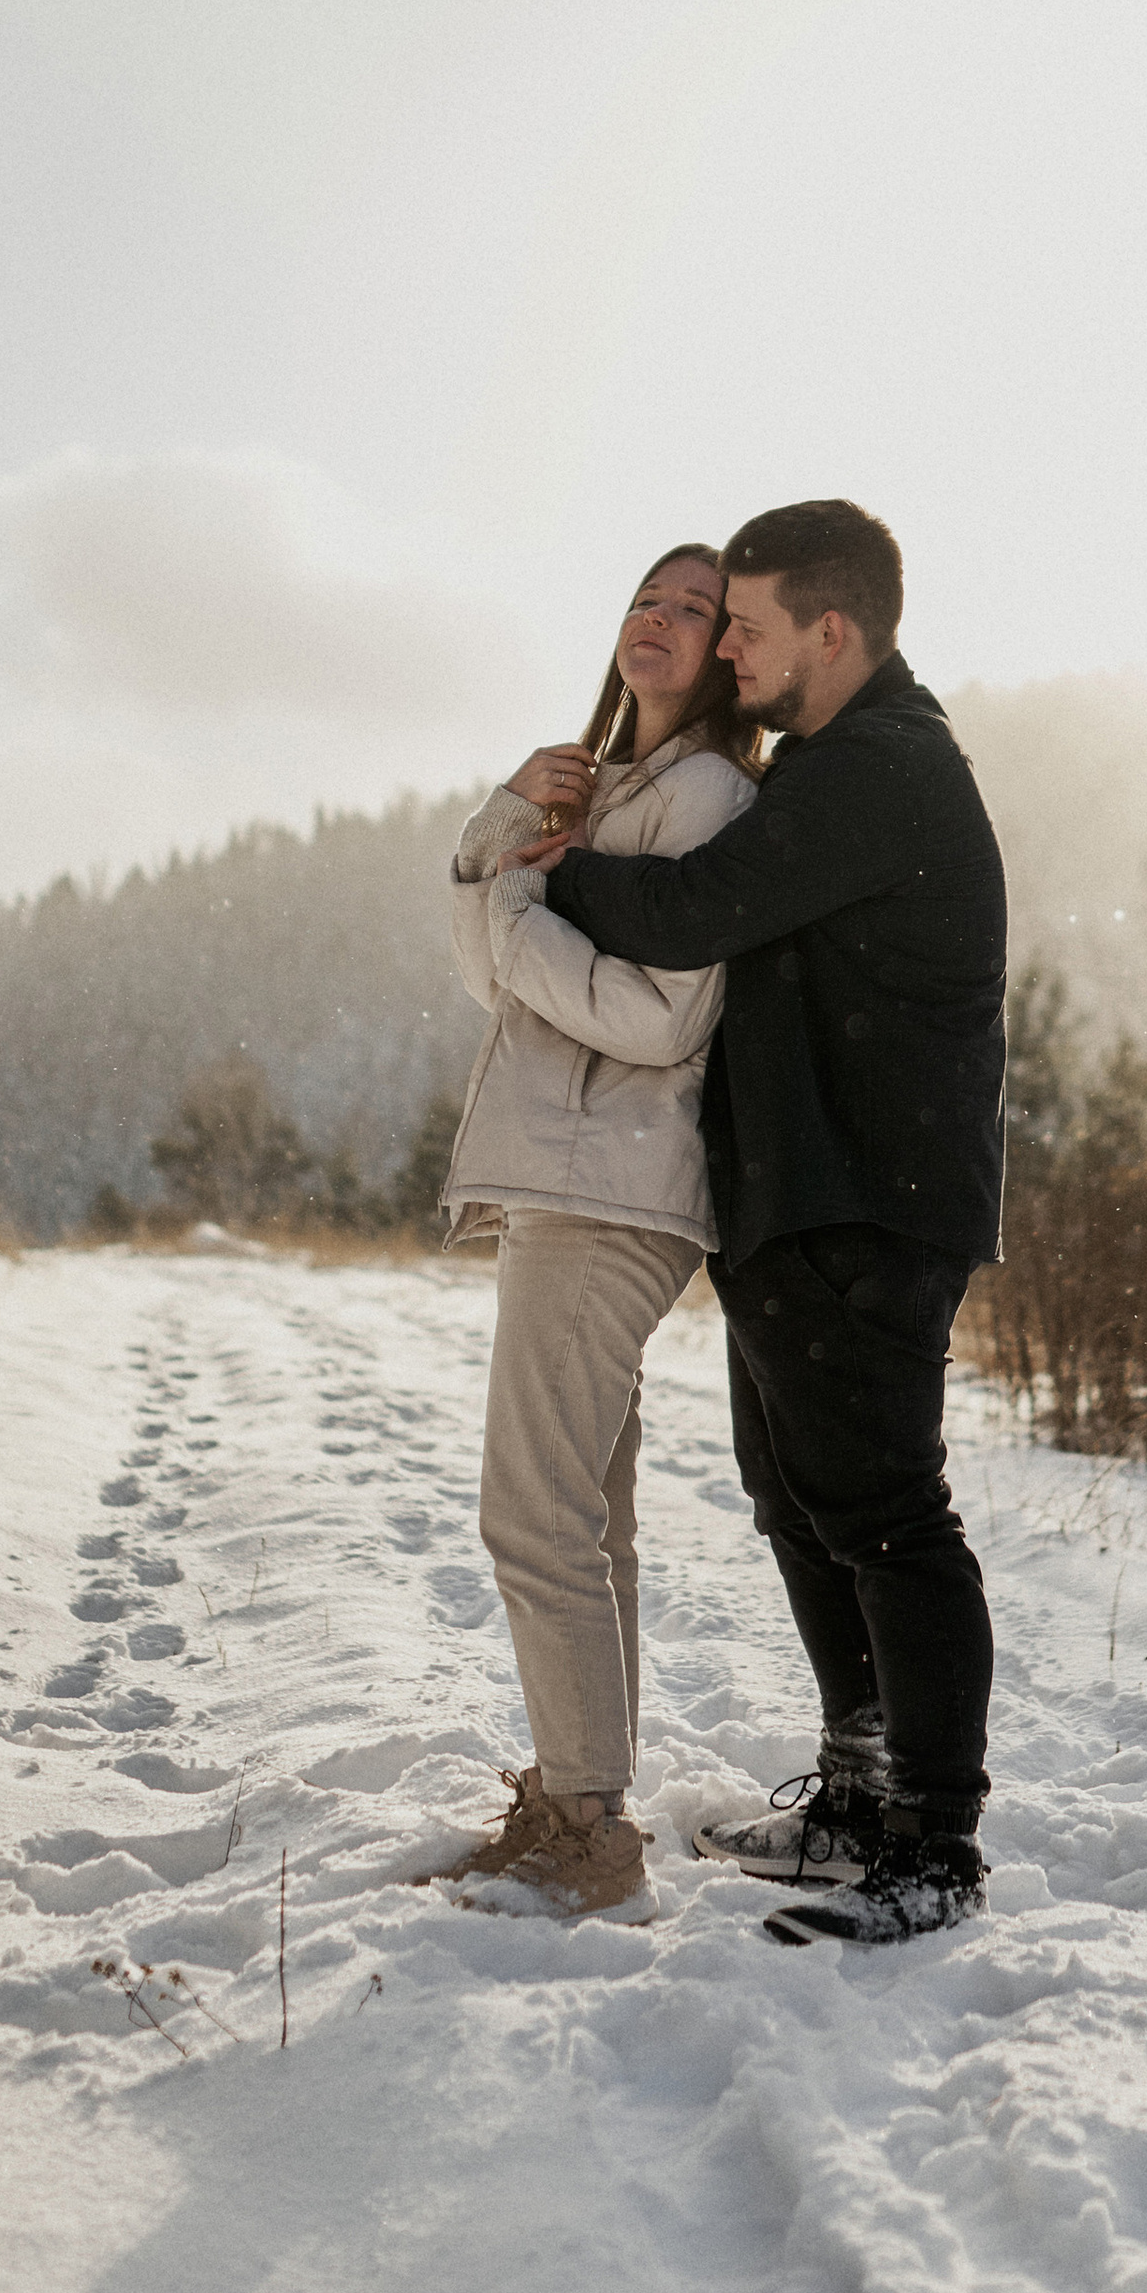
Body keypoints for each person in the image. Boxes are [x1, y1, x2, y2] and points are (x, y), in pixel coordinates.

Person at [503, 497, 1007, 1946]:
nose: (727, 645)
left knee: (891, 1515)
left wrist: (552, 864)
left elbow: (689, 913)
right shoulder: (832, 764)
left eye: (751, 625)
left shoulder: (882, 769)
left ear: (830, 632)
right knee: (801, 1501)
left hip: (875, 1195)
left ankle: (935, 1844)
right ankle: (855, 1793)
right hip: (799, 1195)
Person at [425, 544, 762, 1919]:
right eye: (646, 596)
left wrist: (514, 914)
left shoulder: (710, 795)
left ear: (733, 651)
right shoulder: (612, 782)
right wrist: (502, 826)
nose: (660, 620)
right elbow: (489, 972)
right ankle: (584, 1801)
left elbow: (662, 1013)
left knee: (533, 1512)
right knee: (588, 1514)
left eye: (696, 609)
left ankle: (584, 1827)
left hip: (614, 1183)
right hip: (574, 1174)